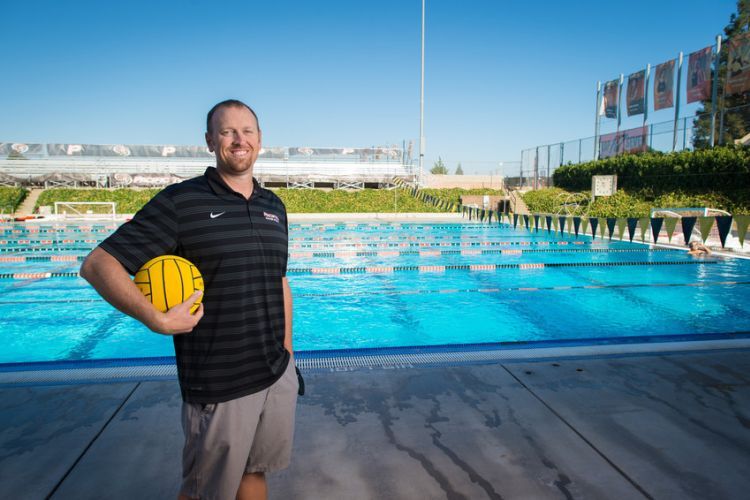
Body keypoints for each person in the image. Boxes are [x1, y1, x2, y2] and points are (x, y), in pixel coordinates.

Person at [80, 99, 297, 500]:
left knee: (255, 474)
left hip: (275, 373)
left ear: (260, 140)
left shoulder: (274, 207)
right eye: (228, 131)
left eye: (247, 131)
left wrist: (288, 356)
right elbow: (98, 264)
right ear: (210, 140)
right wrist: (155, 319)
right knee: (205, 492)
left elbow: (279, 281)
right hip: (219, 383)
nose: (239, 140)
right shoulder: (182, 202)